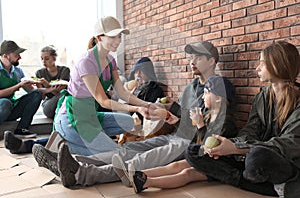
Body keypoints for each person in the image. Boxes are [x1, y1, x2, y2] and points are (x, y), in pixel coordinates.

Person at [32, 41, 236, 188]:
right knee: (127, 150)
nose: (192, 62)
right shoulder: (192, 87)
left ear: (211, 61)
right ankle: (65, 160)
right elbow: (185, 118)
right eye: (191, 57)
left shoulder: (220, 88)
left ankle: (81, 174)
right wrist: (172, 117)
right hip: (175, 136)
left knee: (139, 160)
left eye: (198, 58)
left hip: (190, 144)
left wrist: (190, 122)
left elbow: (217, 129)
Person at [129, 41, 300, 198]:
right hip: (236, 151)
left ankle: (266, 185)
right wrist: (228, 144)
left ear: (277, 65)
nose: (257, 68)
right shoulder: (263, 96)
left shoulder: (221, 89)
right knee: (193, 152)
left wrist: (236, 148)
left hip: (280, 161)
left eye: (262, 63)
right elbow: (250, 130)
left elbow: (288, 144)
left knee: (256, 157)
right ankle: (249, 180)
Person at [52, 16, 153, 156]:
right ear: (99, 38)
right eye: (113, 37)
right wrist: (137, 108)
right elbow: (103, 101)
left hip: (91, 115)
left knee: (128, 122)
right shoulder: (86, 62)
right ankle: (61, 146)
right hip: (72, 118)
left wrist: (147, 105)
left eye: (119, 36)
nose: (118, 41)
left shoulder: (111, 61)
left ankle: (87, 142)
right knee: (116, 153)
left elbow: (123, 93)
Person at [119, 75, 237, 193]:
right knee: (175, 166)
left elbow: (210, 147)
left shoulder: (226, 122)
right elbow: (197, 138)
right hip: (202, 158)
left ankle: (146, 182)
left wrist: (200, 125)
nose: (203, 98)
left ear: (218, 98)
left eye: (206, 93)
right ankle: (135, 175)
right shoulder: (208, 115)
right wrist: (177, 122)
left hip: (219, 166)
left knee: (187, 173)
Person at [0, 40, 43, 138]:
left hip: (10, 109)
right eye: (16, 54)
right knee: (5, 102)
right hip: (2, 107)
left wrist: (48, 88)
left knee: (36, 94)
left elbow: (31, 91)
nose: (20, 57)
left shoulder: (18, 71)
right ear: (6, 56)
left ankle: (21, 129)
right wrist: (19, 85)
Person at [36, 45, 70, 118]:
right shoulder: (39, 73)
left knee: (64, 96)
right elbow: (41, 95)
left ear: (54, 58)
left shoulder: (64, 70)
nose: (43, 61)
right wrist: (51, 89)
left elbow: (61, 92)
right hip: (49, 104)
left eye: (47, 58)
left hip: (64, 101)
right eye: (41, 59)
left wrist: (47, 86)